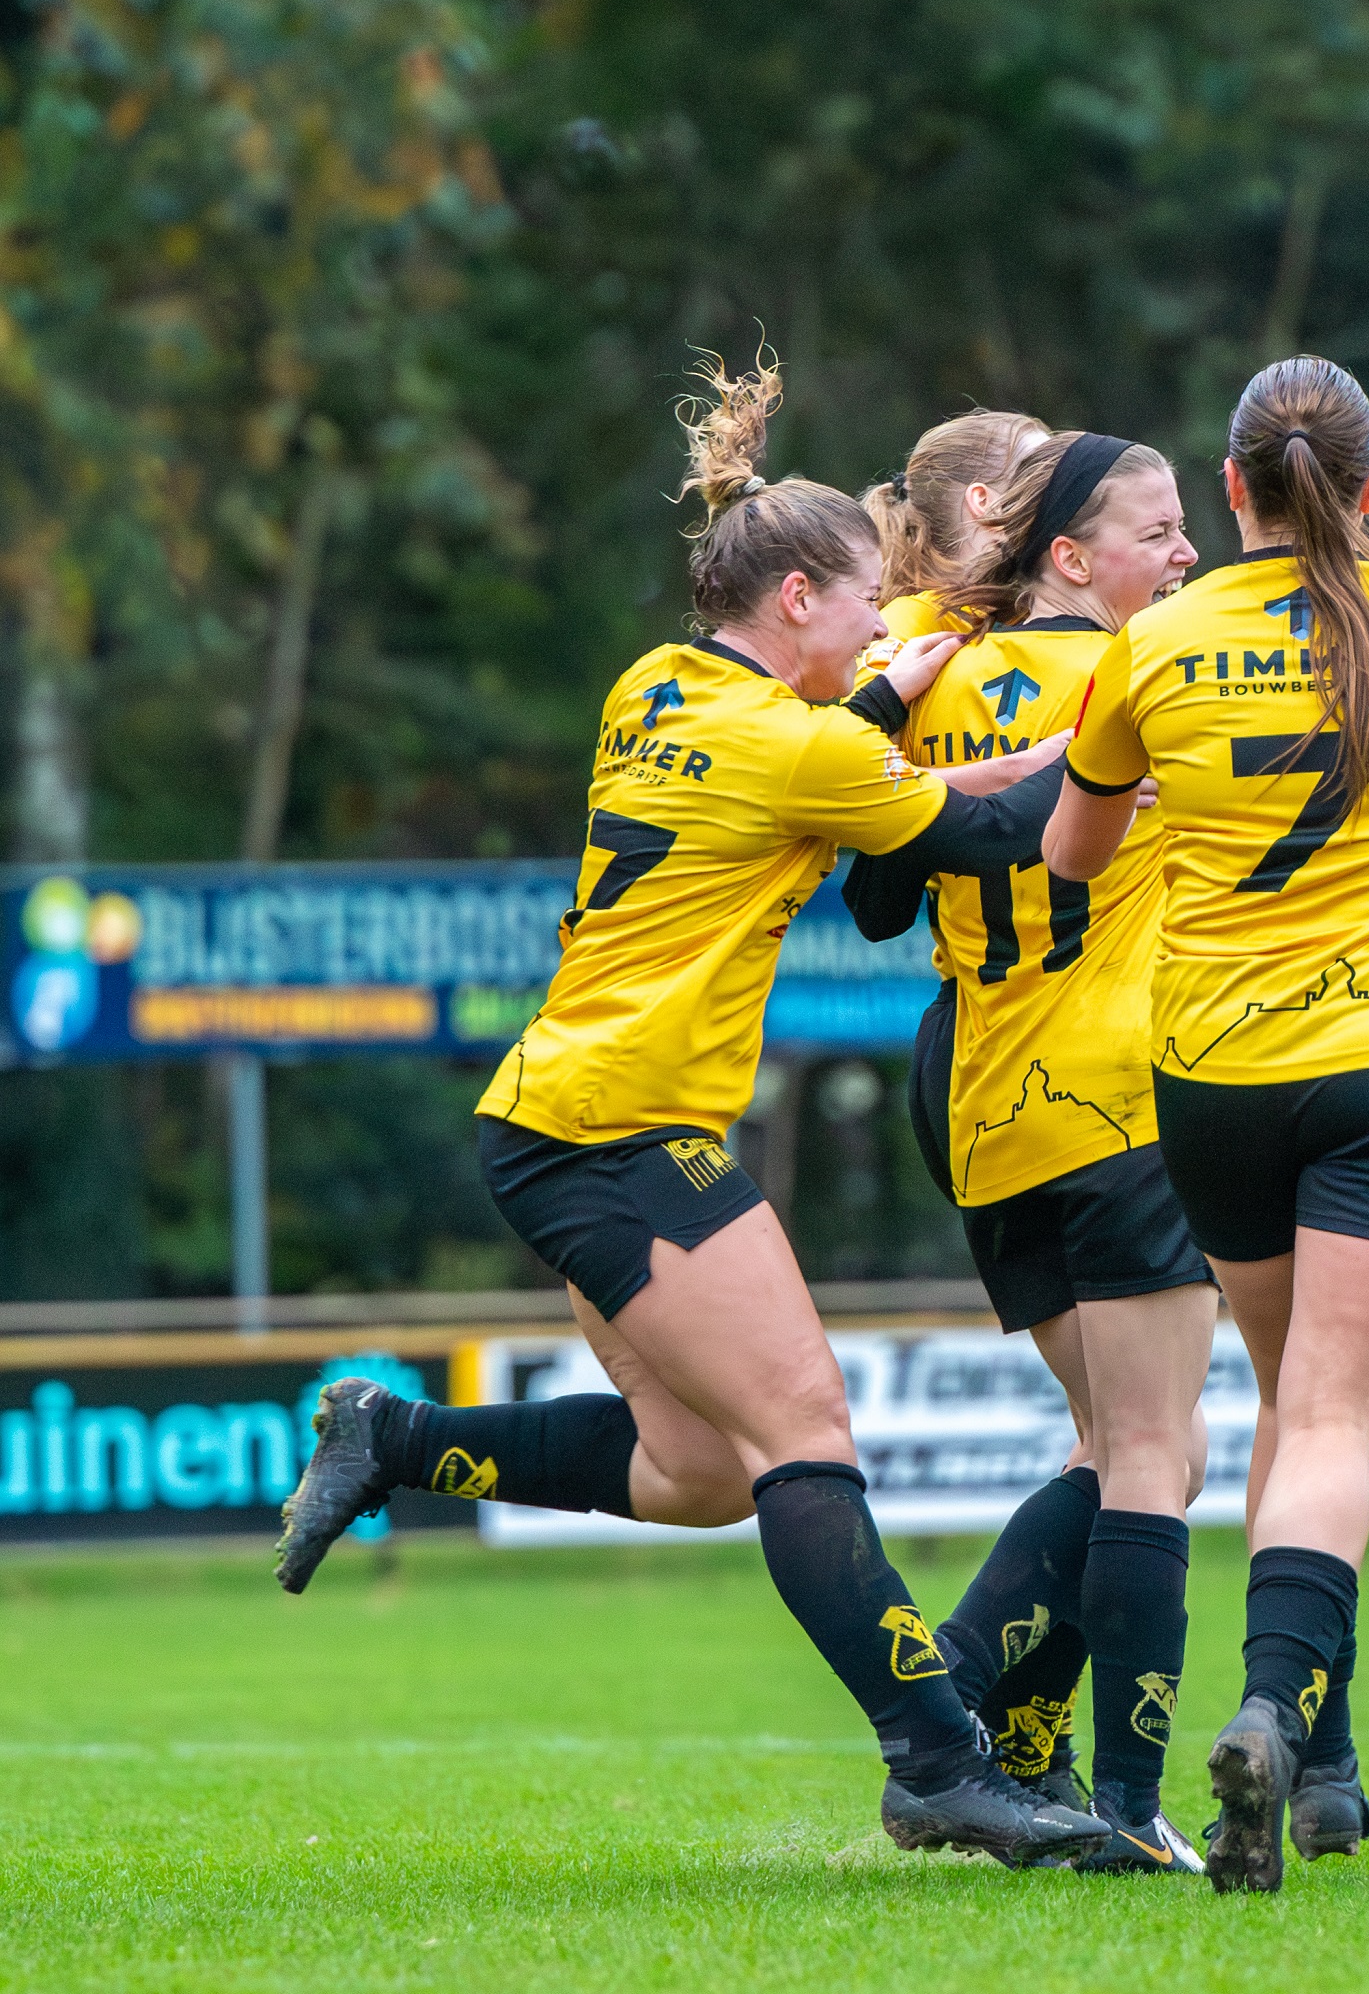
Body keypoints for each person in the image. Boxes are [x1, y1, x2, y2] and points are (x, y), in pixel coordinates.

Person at [273, 355, 1107, 1867]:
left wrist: (876, 690)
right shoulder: (802, 745)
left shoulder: (656, 683)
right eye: (862, 603)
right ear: (794, 599)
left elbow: (800, 753)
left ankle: (394, 1435)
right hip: (618, 1127)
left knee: (704, 1470)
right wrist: (1127, 735)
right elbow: (992, 824)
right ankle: (942, 1761)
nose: (880, 625)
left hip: (557, 1111)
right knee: (804, 1434)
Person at [1042, 356, 1369, 1893]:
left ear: (1232, 487)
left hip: (1215, 1071)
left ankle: (1321, 1758)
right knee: (1329, 1420)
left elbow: (1074, 848)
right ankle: (1279, 1713)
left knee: (1285, 1399)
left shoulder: (1157, 636)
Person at [843, 430, 1215, 1874]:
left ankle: (1002, 1737)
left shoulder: (927, 656)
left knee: (1117, 1444)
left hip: (988, 1108)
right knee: (1153, 1455)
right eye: (1159, 528)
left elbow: (877, 888)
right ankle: (1068, 1765)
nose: (1183, 556)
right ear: (1058, 543)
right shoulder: (1141, 674)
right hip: (1120, 1092)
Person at [858, 408, 1048, 671]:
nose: (1064, 490)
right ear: (986, 504)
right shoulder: (909, 621)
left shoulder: (1030, 612)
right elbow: (862, 710)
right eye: (1042, 480)